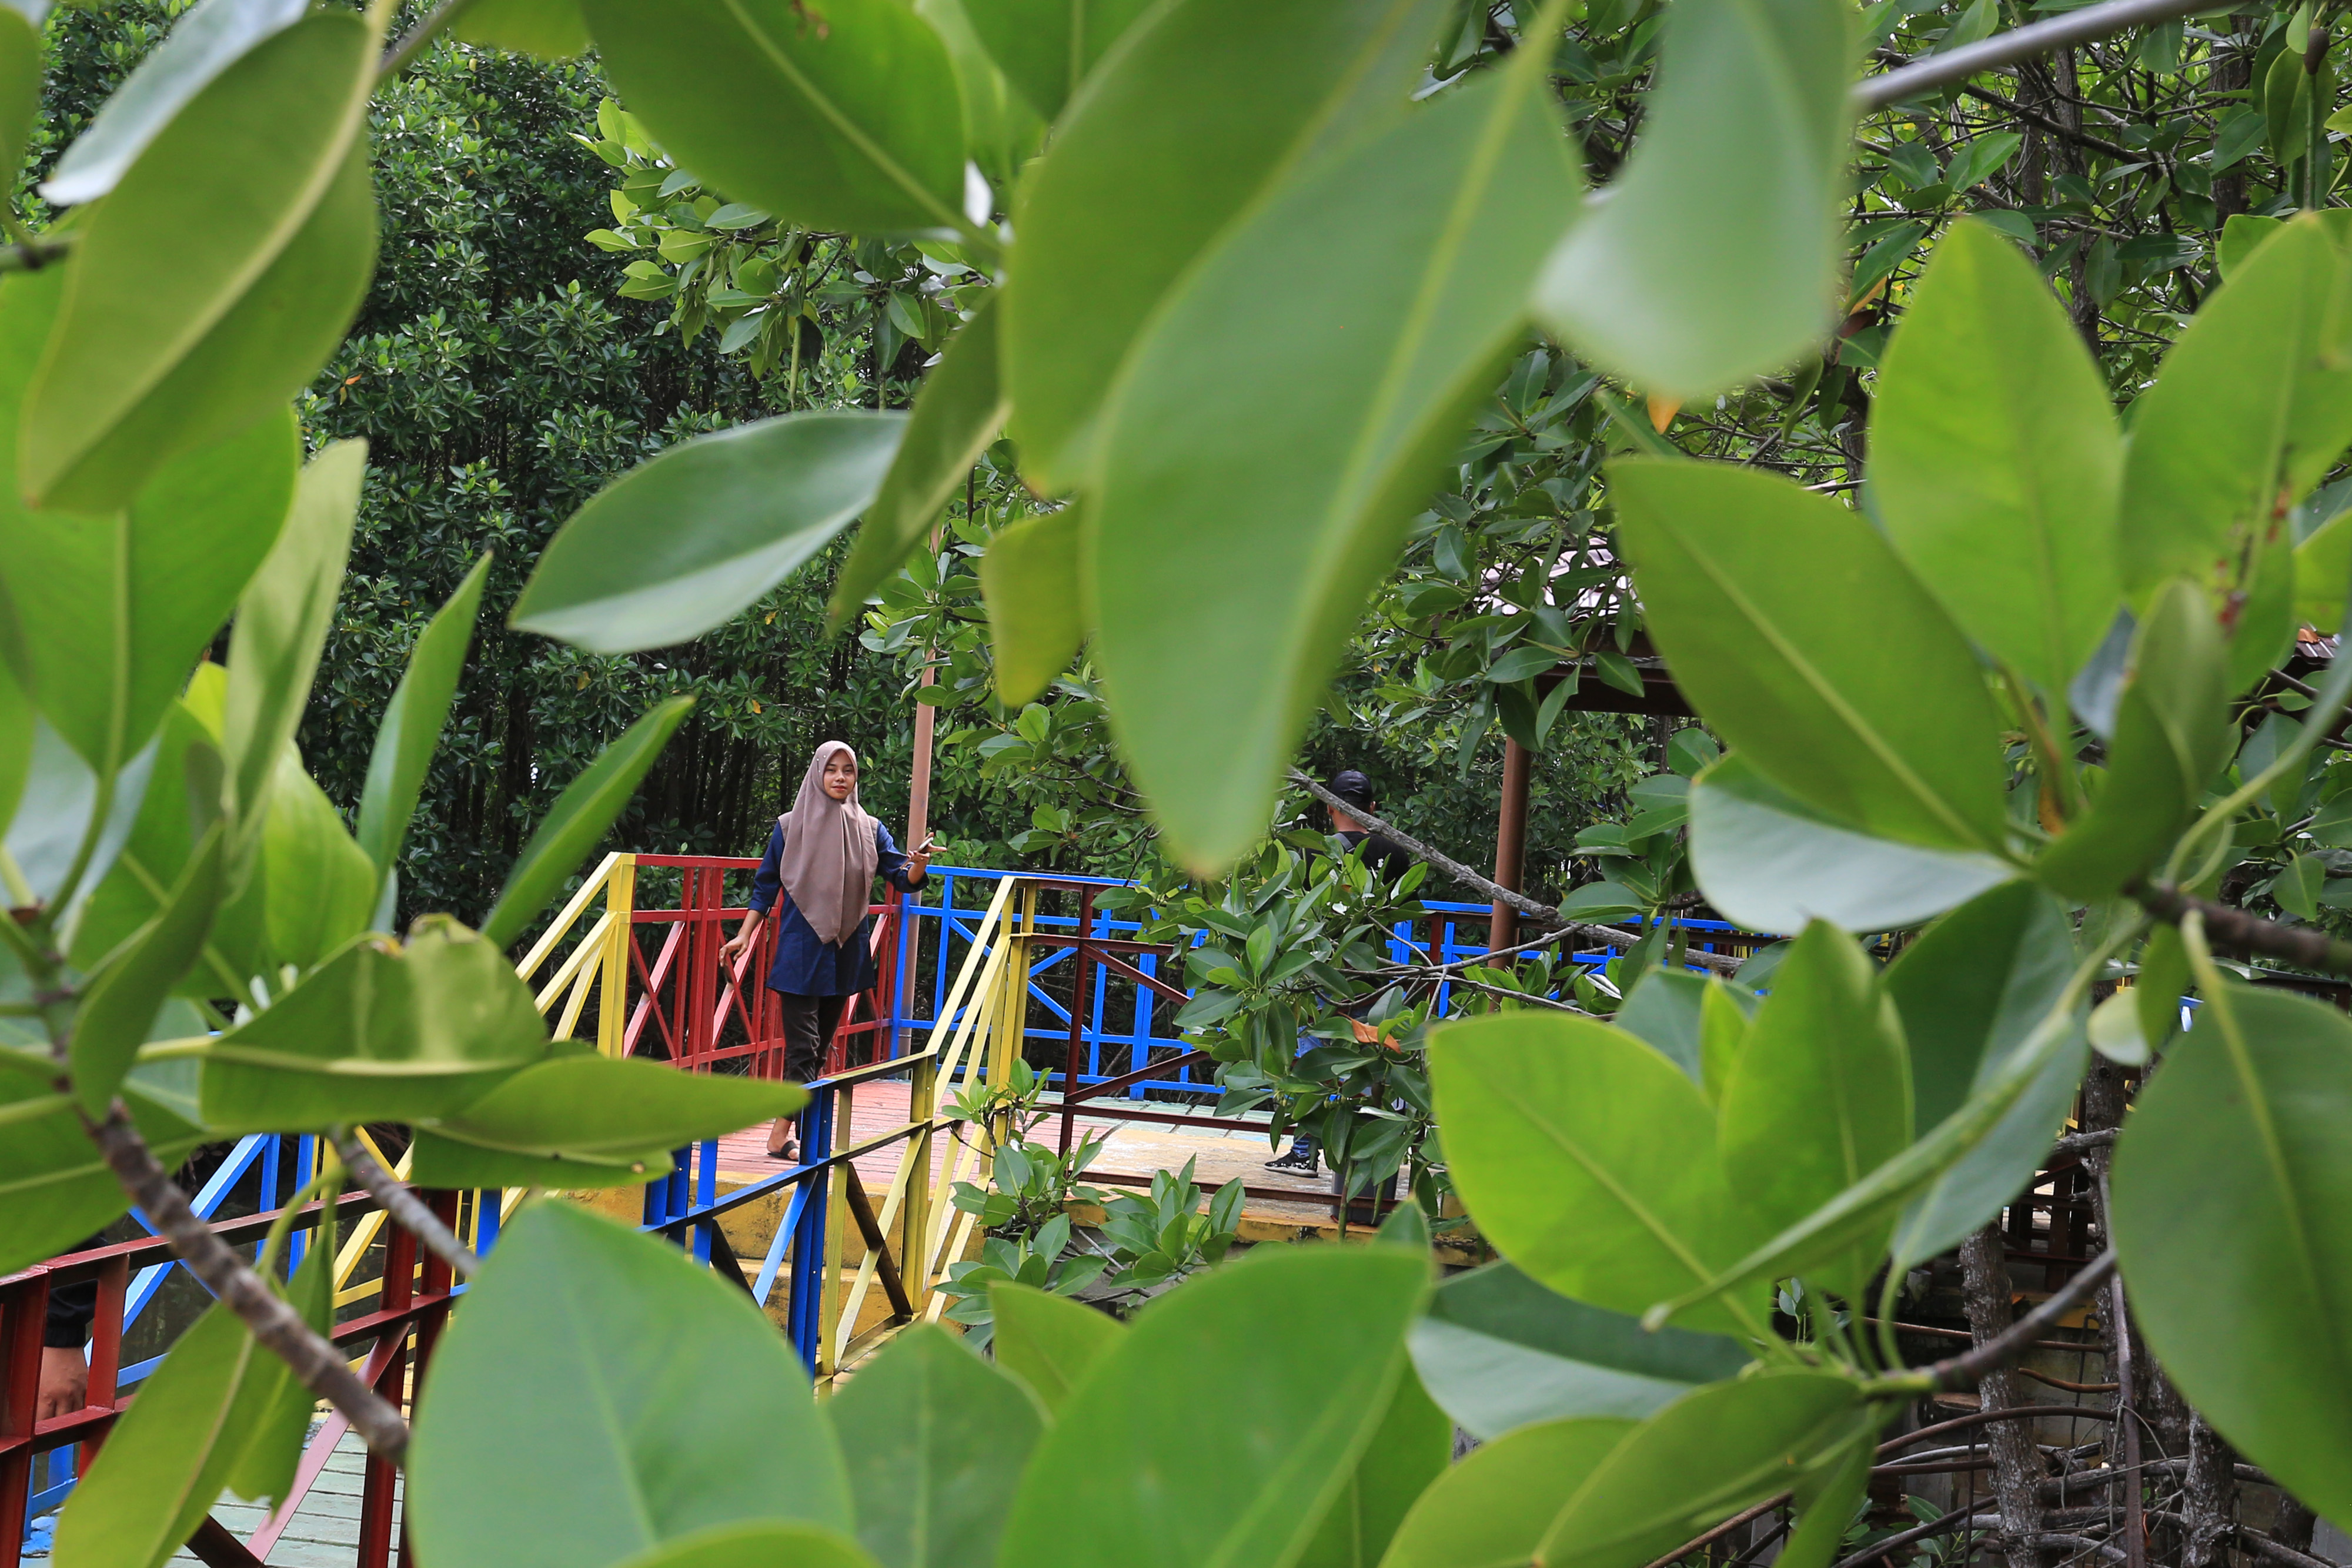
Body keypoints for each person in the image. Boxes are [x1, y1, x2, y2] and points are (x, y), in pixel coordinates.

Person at [720, 742, 931, 1160]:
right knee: (804, 1048)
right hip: (801, 949)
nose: (840, 777)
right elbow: (766, 887)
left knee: (817, 1051)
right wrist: (744, 935)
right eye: (831, 769)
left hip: (845, 949)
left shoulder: (870, 829)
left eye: (847, 770)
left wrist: (920, 863)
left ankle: (784, 1134)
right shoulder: (789, 826)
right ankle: (796, 1137)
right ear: (817, 773)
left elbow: (902, 878)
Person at [1266, 769, 1418, 1177]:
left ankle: (1305, 1152)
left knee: (1313, 1060)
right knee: (1365, 1054)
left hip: (1322, 969)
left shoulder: (1314, 852)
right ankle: (1361, 1154)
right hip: (1372, 969)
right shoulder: (1396, 852)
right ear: (1372, 808)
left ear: (1330, 807)